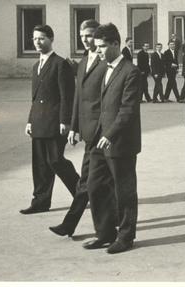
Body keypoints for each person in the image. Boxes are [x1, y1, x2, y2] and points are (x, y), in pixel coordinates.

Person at [84, 23, 141, 254]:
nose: (97, 51)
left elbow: (127, 110)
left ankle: (125, 237)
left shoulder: (131, 72)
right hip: (100, 139)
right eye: (96, 47)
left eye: (102, 47)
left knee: (124, 191)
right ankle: (104, 233)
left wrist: (109, 134)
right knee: (94, 185)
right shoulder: (103, 66)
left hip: (121, 142)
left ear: (116, 44)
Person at [49, 19, 106, 236]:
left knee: (91, 180)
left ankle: (71, 224)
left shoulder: (105, 62)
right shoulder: (83, 63)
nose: (86, 40)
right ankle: (114, 219)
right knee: (92, 180)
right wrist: (74, 127)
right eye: (82, 36)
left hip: (103, 130)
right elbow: (77, 98)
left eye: (90, 35)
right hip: (89, 131)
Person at [21, 24, 79, 214]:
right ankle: (40, 202)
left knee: (55, 160)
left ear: (51, 39)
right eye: (35, 38)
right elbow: (35, 98)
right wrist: (30, 121)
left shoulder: (60, 63)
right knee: (39, 164)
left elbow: (66, 96)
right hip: (38, 122)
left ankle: (82, 192)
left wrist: (65, 121)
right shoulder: (36, 66)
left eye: (42, 38)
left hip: (55, 123)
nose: (38, 42)